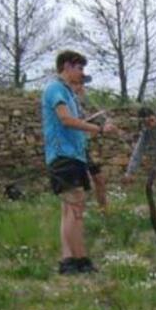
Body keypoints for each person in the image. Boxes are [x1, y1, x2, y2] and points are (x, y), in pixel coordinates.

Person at [41, 50, 119, 274]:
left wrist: (92, 123)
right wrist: (99, 129)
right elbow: (66, 120)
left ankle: (69, 260)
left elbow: (76, 123)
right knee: (75, 208)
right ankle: (80, 259)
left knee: (70, 210)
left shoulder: (67, 93)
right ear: (66, 66)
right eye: (79, 68)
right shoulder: (55, 88)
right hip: (63, 156)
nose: (82, 73)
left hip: (72, 156)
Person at [72, 79, 109, 212]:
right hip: (72, 150)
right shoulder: (69, 103)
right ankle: (79, 213)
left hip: (83, 148)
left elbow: (86, 127)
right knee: (78, 185)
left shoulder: (80, 106)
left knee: (99, 179)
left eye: (82, 85)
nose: (82, 88)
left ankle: (104, 211)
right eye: (79, 84)